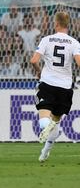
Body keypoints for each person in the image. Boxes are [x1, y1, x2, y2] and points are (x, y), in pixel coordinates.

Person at [30, 11, 80, 162]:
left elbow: (33, 60)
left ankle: (48, 127)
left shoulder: (47, 40)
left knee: (44, 119)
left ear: (56, 24)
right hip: (65, 88)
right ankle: (45, 152)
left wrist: (39, 72)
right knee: (56, 120)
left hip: (48, 84)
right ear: (68, 24)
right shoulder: (74, 43)